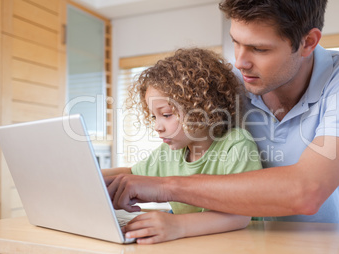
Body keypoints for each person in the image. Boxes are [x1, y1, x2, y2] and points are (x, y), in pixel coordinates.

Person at [106, 0, 339, 225]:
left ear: (308, 42)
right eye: (235, 42)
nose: (240, 62)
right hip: (263, 242)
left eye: (259, 48)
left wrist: (164, 187)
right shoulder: (233, 87)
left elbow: (306, 191)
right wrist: (82, 177)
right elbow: (153, 167)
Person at [103, 48, 262, 244]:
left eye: (167, 115)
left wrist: (177, 225)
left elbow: (241, 215)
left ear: (203, 107)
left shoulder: (235, 144)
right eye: (154, 116)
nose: (157, 127)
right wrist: (94, 176)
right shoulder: (170, 152)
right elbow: (131, 173)